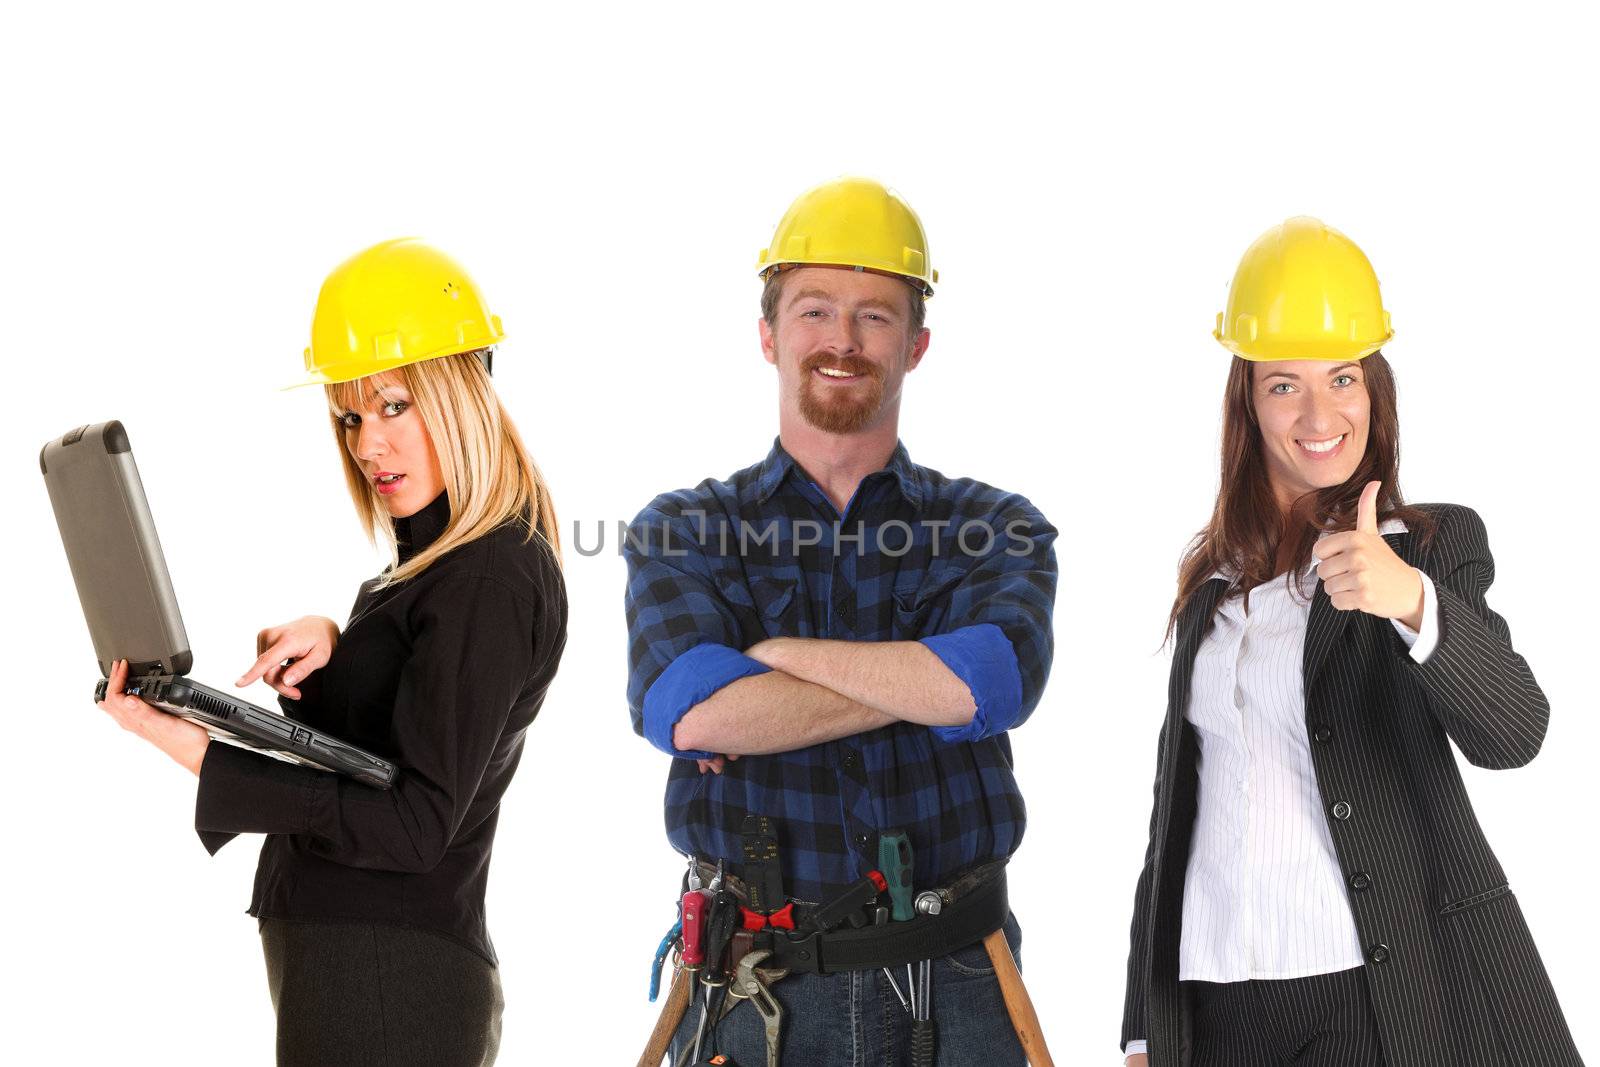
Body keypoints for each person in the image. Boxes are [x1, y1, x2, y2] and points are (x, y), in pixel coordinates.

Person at [1119, 218, 1582, 1066]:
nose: (1320, 413)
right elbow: (1175, 816)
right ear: (1248, 404)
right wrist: (1145, 1023)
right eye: (1284, 386)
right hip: (1213, 1002)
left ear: (1376, 389)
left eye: (1342, 378)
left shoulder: (1427, 548)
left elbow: (1518, 732)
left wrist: (1408, 600)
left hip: (1365, 988)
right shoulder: (1211, 588)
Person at [96, 238, 567, 1066]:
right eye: (350, 415)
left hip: (387, 980)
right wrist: (337, 651)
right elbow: (387, 753)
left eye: (392, 406)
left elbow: (416, 825)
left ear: (463, 390)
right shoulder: (437, 566)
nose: (367, 444)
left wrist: (209, 758)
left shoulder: (489, 574)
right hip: (362, 968)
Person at [625, 177, 1058, 1065]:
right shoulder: (684, 528)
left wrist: (771, 657)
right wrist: (923, 683)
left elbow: (993, 682)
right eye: (815, 309)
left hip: (964, 987)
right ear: (768, 333)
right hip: (755, 993)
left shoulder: (995, 526)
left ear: (918, 344)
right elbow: (691, 711)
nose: (842, 340)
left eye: (875, 316)